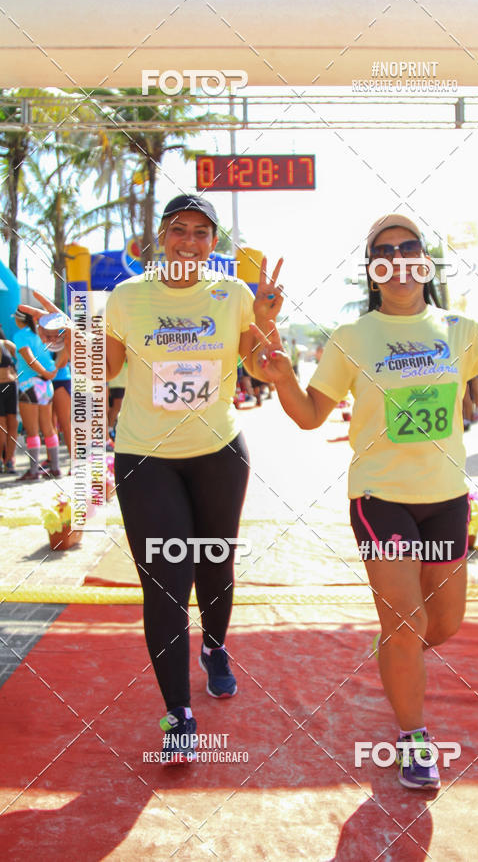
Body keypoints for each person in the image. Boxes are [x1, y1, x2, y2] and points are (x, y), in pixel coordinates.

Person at [251, 212, 478, 790]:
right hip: (380, 498)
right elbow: (311, 415)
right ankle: (415, 740)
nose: (400, 258)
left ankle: (395, 654)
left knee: (445, 623)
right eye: (385, 252)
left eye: (410, 247)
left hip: (446, 500)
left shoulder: (459, 330)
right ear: (373, 271)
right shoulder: (353, 338)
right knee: (407, 624)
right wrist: (284, 379)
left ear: (424, 261)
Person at [19, 194, 283, 763]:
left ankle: (214, 647)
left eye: (201, 232)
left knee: (214, 561)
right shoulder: (128, 298)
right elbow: (106, 369)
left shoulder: (233, 294)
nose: (189, 241)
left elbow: (259, 365)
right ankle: (178, 713)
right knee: (166, 574)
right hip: (145, 455)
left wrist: (267, 321)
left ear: (214, 244)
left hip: (217, 451)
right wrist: (71, 345)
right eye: (179, 230)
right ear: (162, 238)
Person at [12, 310, 60, 481]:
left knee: (32, 431)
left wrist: (45, 373)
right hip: (47, 386)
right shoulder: (41, 333)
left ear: (19, 320)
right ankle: (55, 468)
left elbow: (29, 359)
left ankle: (33, 471)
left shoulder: (20, 335)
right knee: (48, 427)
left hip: (29, 383)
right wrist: (50, 373)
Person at [0, 325, 19, 475]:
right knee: (3, 425)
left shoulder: (5, 344)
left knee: (12, 423)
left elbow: (16, 352)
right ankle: (3, 460)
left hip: (11, 386)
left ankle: (9, 460)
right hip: (5, 386)